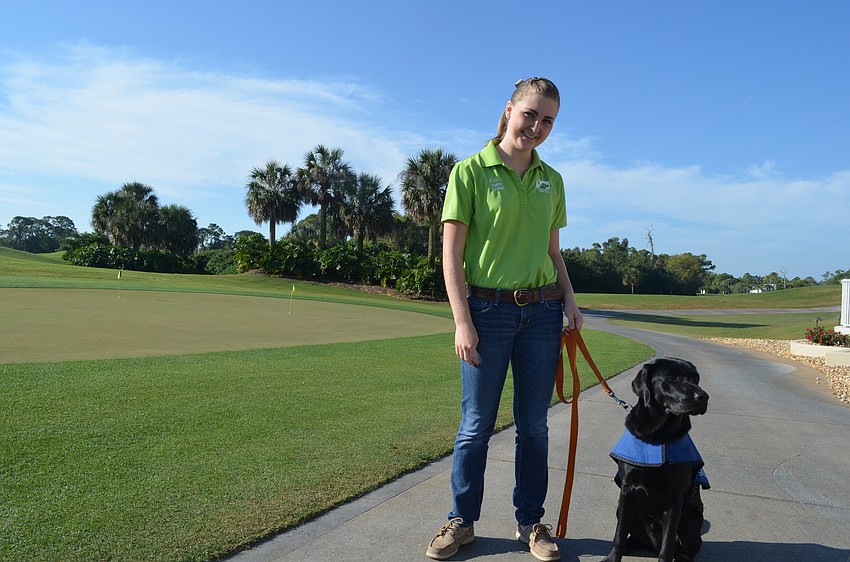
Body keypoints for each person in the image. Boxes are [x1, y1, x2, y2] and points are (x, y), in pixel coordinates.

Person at [426, 77, 583, 562]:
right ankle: (461, 521)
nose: (537, 126)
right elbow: (451, 256)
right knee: (475, 425)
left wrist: (571, 301)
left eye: (548, 120)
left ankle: (531, 523)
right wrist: (462, 320)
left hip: (542, 313)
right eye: (531, 114)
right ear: (510, 109)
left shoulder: (551, 180)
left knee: (534, 426)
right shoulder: (470, 171)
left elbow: (553, 251)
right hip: (486, 311)